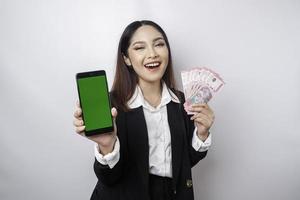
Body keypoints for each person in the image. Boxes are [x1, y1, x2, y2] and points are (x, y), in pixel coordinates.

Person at [73, 20, 215, 200]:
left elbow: (184, 164)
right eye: (140, 48)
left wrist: (202, 134)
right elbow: (109, 178)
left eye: (159, 44)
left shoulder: (183, 102)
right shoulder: (111, 105)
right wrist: (107, 146)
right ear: (126, 58)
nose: (152, 54)